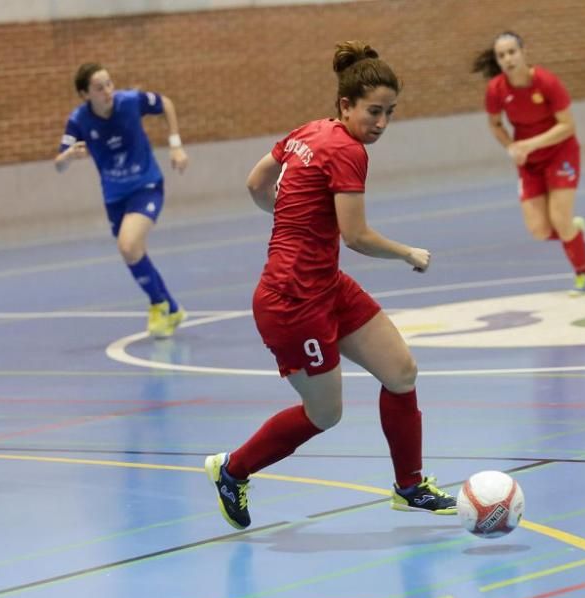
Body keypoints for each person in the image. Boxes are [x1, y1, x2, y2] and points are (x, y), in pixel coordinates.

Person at [204, 41, 457, 531]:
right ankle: (232, 470)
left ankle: (411, 487)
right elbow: (357, 236)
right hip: (292, 303)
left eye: (390, 113)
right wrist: (407, 252)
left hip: (326, 284)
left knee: (401, 372)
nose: (381, 123)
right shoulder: (347, 150)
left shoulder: (309, 131)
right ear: (346, 105)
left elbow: (257, 183)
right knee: (325, 414)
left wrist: (290, 220)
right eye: (374, 112)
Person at [55, 63, 189, 338]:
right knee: (132, 251)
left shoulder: (130, 102)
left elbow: (165, 103)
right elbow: (59, 163)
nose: (108, 91)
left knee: (128, 245)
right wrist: (69, 156)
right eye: (99, 87)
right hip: (114, 197)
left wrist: (175, 145)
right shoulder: (79, 120)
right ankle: (171, 307)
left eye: (109, 83)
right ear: (84, 94)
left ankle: (159, 305)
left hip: (147, 185)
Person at [473, 32, 585, 296]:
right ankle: (576, 235)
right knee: (539, 230)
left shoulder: (547, 82)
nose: (508, 58)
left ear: (524, 51)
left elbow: (567, 126)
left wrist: (531, 144)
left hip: (561, 153)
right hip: (529, 161)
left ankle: (583, 274)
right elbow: (494, 124)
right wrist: (511, 147)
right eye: (501, 55)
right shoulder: (495, 90)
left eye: (512, 52)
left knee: (560, 219)